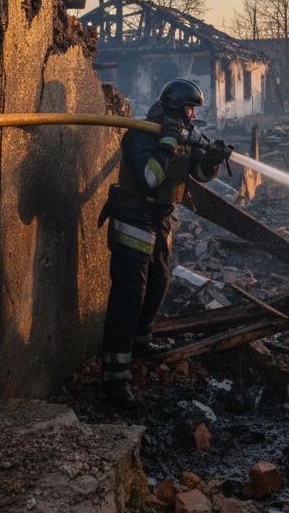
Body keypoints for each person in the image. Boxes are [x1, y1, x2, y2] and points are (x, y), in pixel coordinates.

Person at [99, 78, 231, 409]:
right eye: (188, 109)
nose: (192, 117)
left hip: (158, 220)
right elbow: (150, 176)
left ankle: (140, 343)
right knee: (130, 294)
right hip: (132, 218)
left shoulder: (182, 137)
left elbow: (197, 174)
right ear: (171, 110)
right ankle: (114, 376)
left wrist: (212, 158)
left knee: (159, 282)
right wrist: (168, 142)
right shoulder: (142, 133)